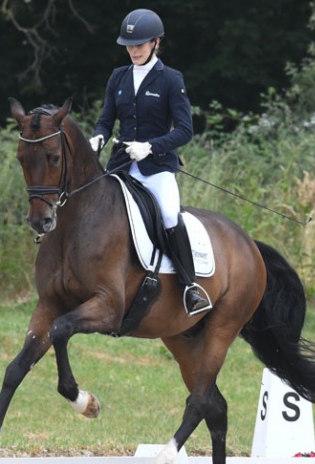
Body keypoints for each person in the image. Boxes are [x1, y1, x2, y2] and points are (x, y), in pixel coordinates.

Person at [89, 8, 212, 317]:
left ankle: (190, 287)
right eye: (129, 45)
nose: (133, 50)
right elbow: (106, 121)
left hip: (155, 168)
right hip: (120, 166)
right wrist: (97, 138)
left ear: (156, 42)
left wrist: (151, 147)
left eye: (140, 45)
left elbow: (185, 130)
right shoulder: (118, 76)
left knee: (170, 215)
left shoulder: (171, 79)